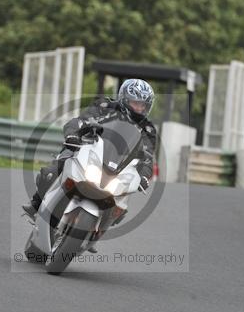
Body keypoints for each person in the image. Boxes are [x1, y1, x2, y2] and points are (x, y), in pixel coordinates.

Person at [22, 78, 157, 218]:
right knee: (54, 170)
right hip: (91, 149)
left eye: (143, 105)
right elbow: (80, 120)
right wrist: (73, 135)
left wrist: (144, 176)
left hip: (119, 166)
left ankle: (99, 228)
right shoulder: (105, 106)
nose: (140, 108)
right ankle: (37, 203)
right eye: (136, 103)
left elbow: (148, 156)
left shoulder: (148, 129)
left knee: (121, 205)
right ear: (124, 99)